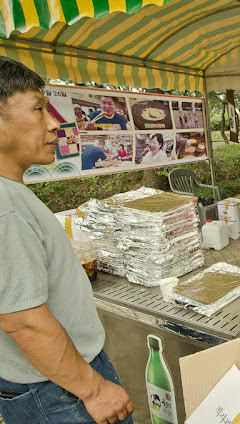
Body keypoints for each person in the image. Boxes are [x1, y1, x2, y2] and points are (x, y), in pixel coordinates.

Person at [0, 56, 134, 424]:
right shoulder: (5, 205)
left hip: (55, 380)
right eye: (39, 108)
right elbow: (22, 320)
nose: (54, 123)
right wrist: (94, 389)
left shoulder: (12, 194)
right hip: (58, 391)